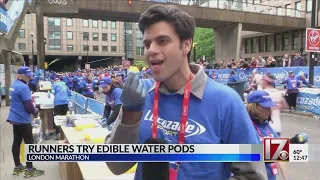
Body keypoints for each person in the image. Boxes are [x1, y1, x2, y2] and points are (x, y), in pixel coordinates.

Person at [106, 4, 267, 180]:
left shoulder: (227, 102)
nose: (151, 50)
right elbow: (116, 165)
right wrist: (129, 116)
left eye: (162, 41)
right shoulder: (140, 95)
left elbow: (253, 175)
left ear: (186, 45)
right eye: (147, 43)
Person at [246, 90, 308, 180]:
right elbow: (252, 155)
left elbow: (279, 152)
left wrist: (294, 141)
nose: (269, 110)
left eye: (270, 106)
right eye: (265, 107)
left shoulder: (266, 126)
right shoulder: (245, 128)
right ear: (254, 107)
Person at [7, 66, 44, 177]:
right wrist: (36, 111)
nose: (30, 77)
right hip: (23, 119)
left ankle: (17, 166)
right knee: (29, 143)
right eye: (28, 76)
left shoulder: (14, 84)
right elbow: (28, 106)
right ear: (21, 76)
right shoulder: (23, 87)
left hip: (14, 117)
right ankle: (29, 169)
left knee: (17, 141)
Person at [51, 75, 72, 139]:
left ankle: (58, 134)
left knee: (58, 118)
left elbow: (53, 92)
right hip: (65, 101)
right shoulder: (65, 85)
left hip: (58, 102)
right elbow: (70, 93)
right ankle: (66, 134)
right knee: (65, 118)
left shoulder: (54, 85)